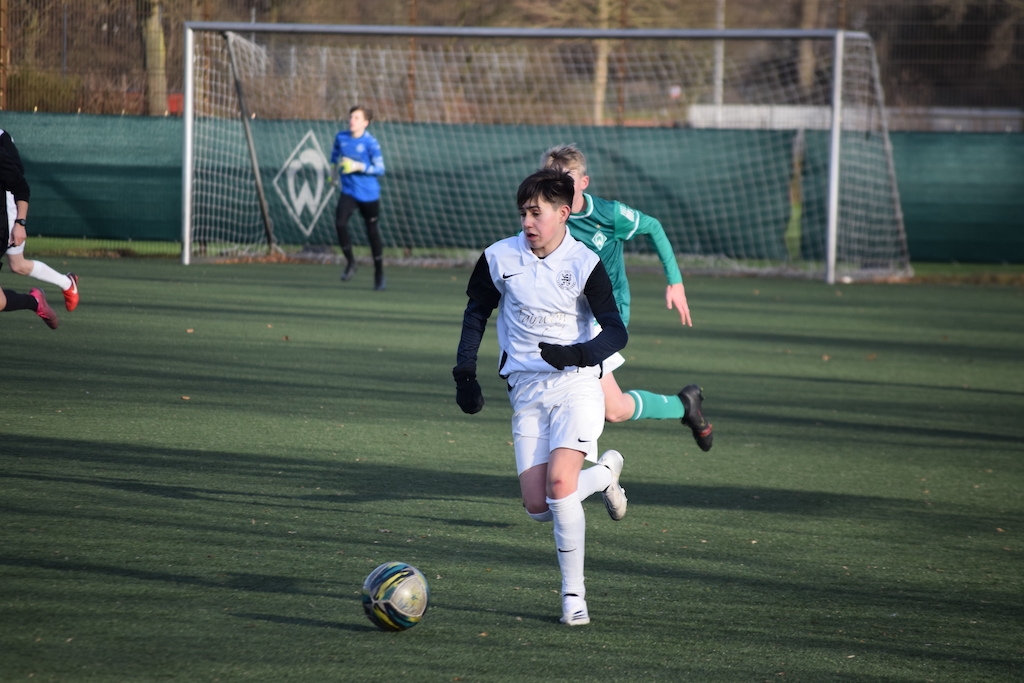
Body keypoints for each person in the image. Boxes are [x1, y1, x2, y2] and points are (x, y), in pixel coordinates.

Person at [453, 168, 629, 626]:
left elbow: (616, 331)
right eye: (523, 214)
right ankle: (605, 473)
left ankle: (574, 597)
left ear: (563, 213)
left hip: (576, 384)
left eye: (537, 213)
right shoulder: (499, 257)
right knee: (537, 506)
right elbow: (476, 314)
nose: (527, 222)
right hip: (527, 391)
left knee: (559, 487)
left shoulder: (584, 262)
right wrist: (464, 372)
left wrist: (576, 354)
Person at [540, 144, 713, 452]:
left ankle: (574, 471)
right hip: (570, 313)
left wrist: (675, 282)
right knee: (614, 409)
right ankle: (684, 405)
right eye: (552, 178)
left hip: (606, 316)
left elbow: (654, 227)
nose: (558, 185)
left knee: (574, 387)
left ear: (584, 182)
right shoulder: (545, 217)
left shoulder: (609, 214)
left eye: (567, 178)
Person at [0, 129, 79, 314]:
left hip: (9, 210)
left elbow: (17, 175)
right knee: (18, 265)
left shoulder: (2, 137)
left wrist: (19, 222)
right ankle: (65, 284)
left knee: (18, 265)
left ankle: (65, 284)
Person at [330, 105, 386, 291]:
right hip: (349, 192)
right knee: (340, 223)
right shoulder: (341, 137)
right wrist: (332, 175)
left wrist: (358, 166)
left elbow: (380, 169)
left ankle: (379, 273)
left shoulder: (371, 143)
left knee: (372, 232)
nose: (351, 121)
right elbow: (334, 158)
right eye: (351, 117)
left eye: (356, 118)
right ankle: (351, 262)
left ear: (365, 123)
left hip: (369, 194)